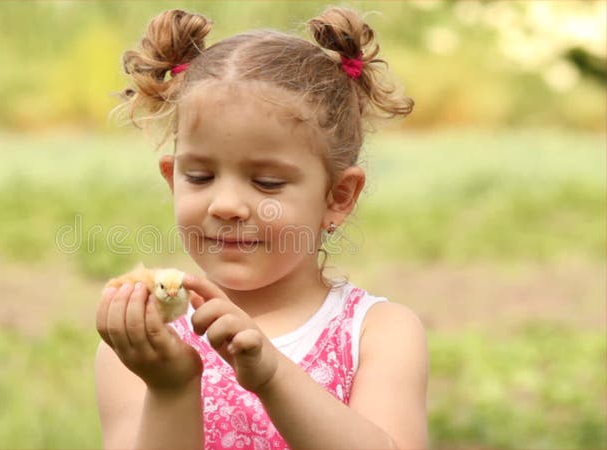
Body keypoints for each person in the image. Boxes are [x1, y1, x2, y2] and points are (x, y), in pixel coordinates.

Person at [95, 6, 427, 449]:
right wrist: (171, 387)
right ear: (171, 179)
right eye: (200, 177)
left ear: (338, 197)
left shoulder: (377, 333)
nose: (227, 204)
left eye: (266, 182)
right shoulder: (147, 343)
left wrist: (272, 377)